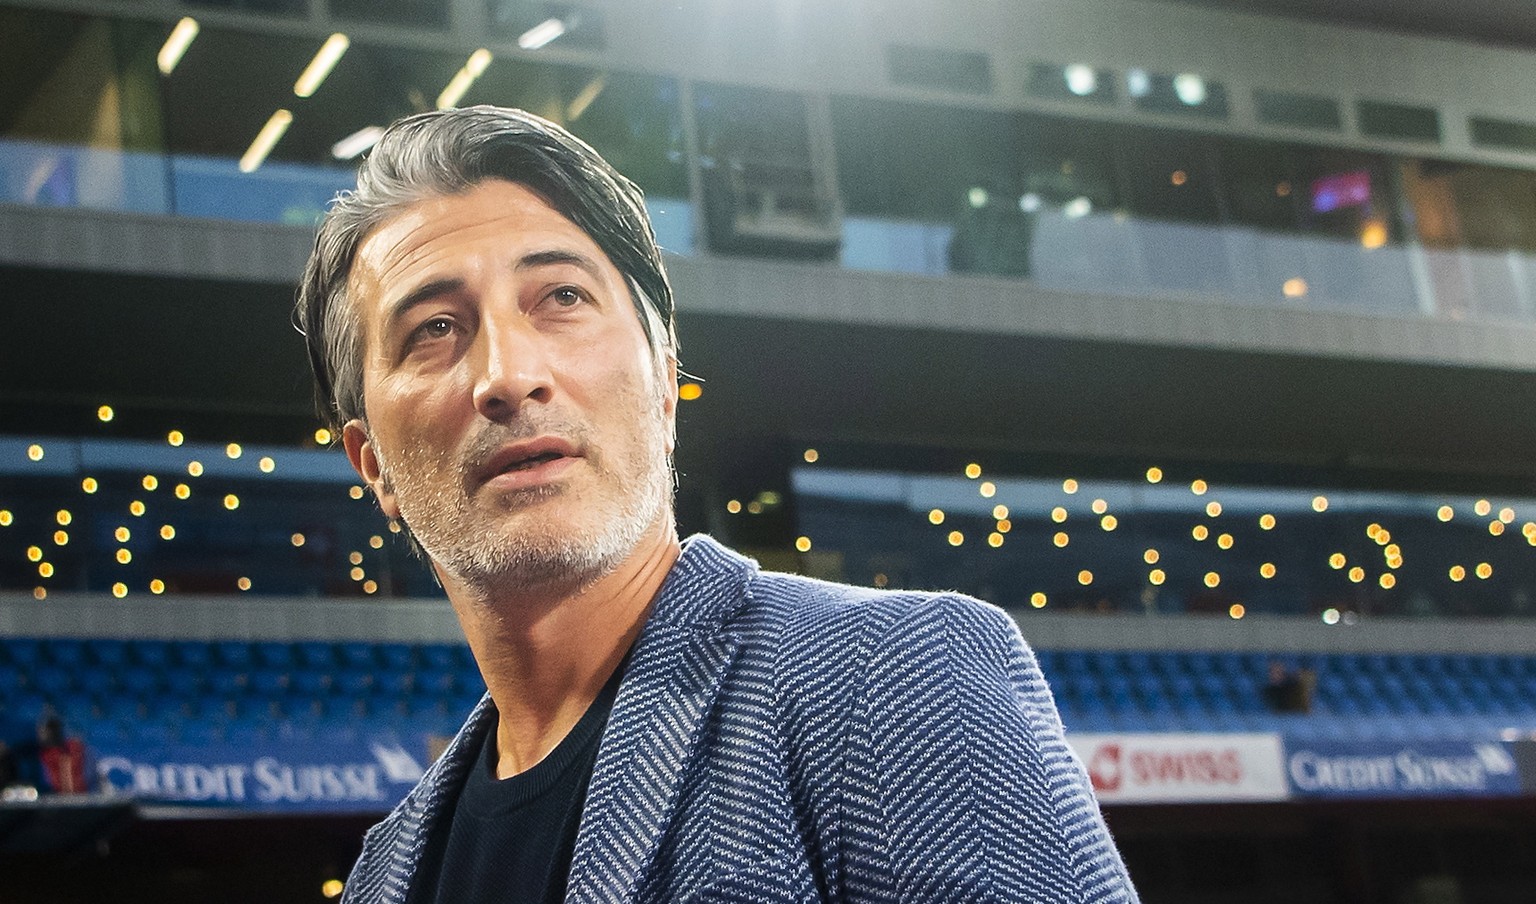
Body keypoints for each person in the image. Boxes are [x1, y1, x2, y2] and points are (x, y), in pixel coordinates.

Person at [297, 106, 1138, 903]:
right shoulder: (385, 871)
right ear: (374, 466)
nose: (508, 375)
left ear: (665, 386)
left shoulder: (894, 677)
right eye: (434, 329)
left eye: (561, 297)